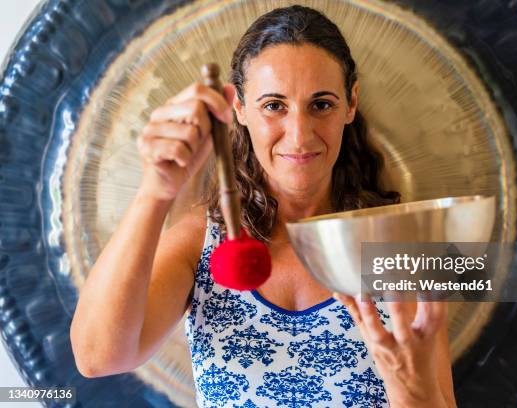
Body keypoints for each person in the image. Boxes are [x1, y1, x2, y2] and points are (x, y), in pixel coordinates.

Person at [70, 5, 457, 408]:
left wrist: (407, 384)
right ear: (238, 107)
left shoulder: (404, 246)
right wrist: (156, 190)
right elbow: (97, 357)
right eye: (274, 105)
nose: (299, 136)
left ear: (351, 102)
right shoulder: (200, 241)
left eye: (321, 104)